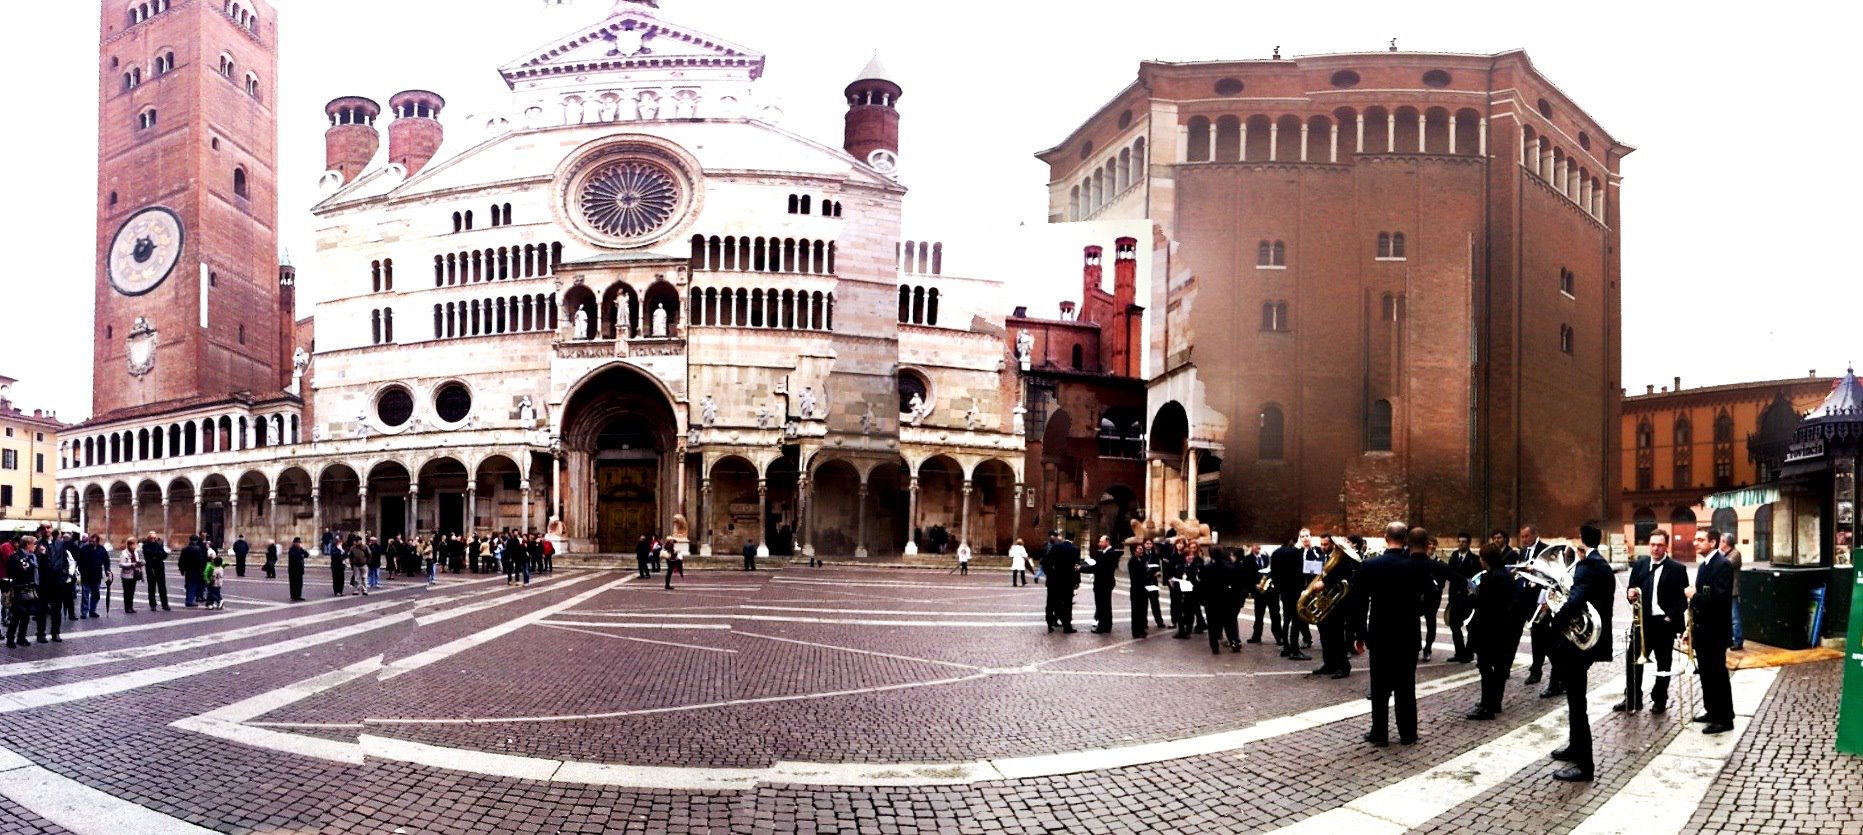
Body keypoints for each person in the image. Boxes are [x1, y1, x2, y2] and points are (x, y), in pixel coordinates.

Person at [1350, 522, 1432, 747]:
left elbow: (1360, 603)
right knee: (1406, 686)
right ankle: (1408, 733)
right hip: (1408, 633)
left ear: (1385, 538)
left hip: (1380, 633)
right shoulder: (1416, 565)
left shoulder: (1371, 565)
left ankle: (1380, 733)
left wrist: (1360, 635)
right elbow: (1430, 597)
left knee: (1379, 687)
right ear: (1405, 539)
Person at [1549, 523, 1614, 782]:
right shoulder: (1603, 564)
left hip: (1580, 645)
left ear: (1581, 540)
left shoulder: (1587, 565)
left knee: (1577, 703)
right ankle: (1575, 746)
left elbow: (1575, 601)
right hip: (1592, 641)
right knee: (1576, 700)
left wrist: (1556, 620)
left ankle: (1585, 765)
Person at [1618, 529, 1688, 714]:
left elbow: (1682, 601)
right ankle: (1632, 698)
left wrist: (1669, 617)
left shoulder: (1677, 569)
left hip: (1664, 624)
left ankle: (1659, 699)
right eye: (1653, 544)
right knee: (1633, 661)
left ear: (1666, 546)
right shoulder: (1640, 565)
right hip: (1642, 622)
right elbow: (1632, 588)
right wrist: (1630, 594)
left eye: (1660, 545)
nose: (1656, 548)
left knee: (1663, 664)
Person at [1463, 542, 1518, 719]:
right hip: (1504, 627)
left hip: (1488, 629)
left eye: (1481, 558)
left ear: (1486, 559)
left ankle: (1486, 707)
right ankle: (1495, 702)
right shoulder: (1507, 574)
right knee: (1500, 668)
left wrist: (1473, 595)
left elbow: (1483, 604)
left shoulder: (1490, 577)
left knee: (1486, 668)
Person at [1690, 531, 1738, 735]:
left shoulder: (1722, 565)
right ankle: (1712, 711)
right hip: (1702, 631)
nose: (1695, 543)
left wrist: (1694, 596)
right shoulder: (1704, 566)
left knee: (1717, 675)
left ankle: (1725, 718)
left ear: (1712, 542)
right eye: (1695, 539)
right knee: (1706, 674)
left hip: (1716, 632)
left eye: (1700, 540)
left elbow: (1719, 601)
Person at [1517, 525, 1559, 693]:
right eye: (1522, 537)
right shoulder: (1522, 552)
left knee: (1543, 637)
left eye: (1526, 536)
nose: (1524, 540)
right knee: (1535, 636)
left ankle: (1550, 670)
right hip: (1526, 600)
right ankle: (1536, 670)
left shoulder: (1546, 550)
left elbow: (1551, 575)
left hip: (1541, 601)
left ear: (1535, 534)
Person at [1309, 534, 1357, 678]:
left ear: (1332, 544)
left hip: (1337, 604)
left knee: (1336, 635)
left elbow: (1344, 575)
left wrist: (1325, 583)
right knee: (1325, 635)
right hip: (1324, 603)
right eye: (1321, 544)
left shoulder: (1343, 560)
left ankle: (1343, 666)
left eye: (1326, 544)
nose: (1323, 547)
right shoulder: (1321, 558)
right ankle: (1329, 664)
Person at [1270, 533, 1310, 660]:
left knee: (1286, 619)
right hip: (1295, 590)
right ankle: (1294, 649)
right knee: (1296, 620)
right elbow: (1300, 573)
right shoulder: (1296, 552)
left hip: (1283, 591)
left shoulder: (1275, 553)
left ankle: (1286, 647)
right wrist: (1304, 588)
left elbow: (1273, 573)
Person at [1445, 533, 1481, 663]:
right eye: (1459, 541)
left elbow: (1476, 578)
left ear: (1469, 543)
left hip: (1468, 599)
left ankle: (1469, 653)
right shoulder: (1453, 557)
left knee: (1471, 627)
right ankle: (1459, 652)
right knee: (1454, 626)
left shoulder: (1474, 559)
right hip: (1455, 597)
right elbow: (1450, 575)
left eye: (1464, 541)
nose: (1461, 544)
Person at [1040, 531, 1081, 634]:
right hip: (1068, 581)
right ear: (1073, 539)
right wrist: (1077, 581)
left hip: (1055, 580)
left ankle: (1050, 623)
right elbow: (1076, 567)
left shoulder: (1056, 547)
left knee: (1051, 602)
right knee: (1067, 604)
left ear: (1064, 537)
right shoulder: (1075, 549)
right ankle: (1067, 626)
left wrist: (1049, 574)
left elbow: (1045, 561)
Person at [1205, 547, 1244, 654]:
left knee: (1212, 624)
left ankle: (1214, 646)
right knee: (1229, 623)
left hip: (1212, 599)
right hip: (1227, 599)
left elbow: (1203, 585)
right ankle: (1234, 642)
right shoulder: (1230, 567)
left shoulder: (1207, 568)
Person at [36, 535, 73, 643]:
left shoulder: (60, 544)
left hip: (57, 581)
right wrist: (42, 555)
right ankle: (41, 633)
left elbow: (65, 560)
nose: (46, 530)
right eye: (44, 528)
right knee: (42, 609)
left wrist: (64, 575)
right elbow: (36, 562)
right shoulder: (38, 544)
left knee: (57, 609)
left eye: (48, 527)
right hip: (44, 581)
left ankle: (55, 632)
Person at [5, 538, 40, 647]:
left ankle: (21, 637)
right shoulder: (15, 557)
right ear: (27, 544)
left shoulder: (32, 557)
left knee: (26, 616)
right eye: (34, 544)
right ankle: (10, 639)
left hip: (29, 590)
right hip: (18, 590)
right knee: (16, 615)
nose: (35, 546)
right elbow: (12, 572)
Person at [1244, 543, 1282, 645]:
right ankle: (1256, 636)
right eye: (1255, 545)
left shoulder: (1266, 557)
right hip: (1258, 591)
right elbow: (1246, 574)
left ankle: (1279, 636)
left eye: (1259, 545)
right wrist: (1254, 585)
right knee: (1259, 615)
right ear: (1252, 547)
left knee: (1275, 614)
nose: (1258, 547)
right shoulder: (1247, 559)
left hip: (1271, 590)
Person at [1086, 536, 1119, 633]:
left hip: (1103, 583)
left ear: (1107, 542)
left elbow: (1098, 568)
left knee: (1102, 605)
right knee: (1105, 605)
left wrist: (1081, 568)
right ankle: (1107, 626)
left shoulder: (1110, 554)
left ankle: (1102, 626)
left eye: (1101, 542)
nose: (1099, 544)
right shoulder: (1105, 553)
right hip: (1104, 583)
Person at [75, 534, 109, 619]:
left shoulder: (101, 549)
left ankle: (92, 610)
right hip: (86, 575)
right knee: (85, 594)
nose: (91, 543)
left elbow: (106, 561)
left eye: (93, 541)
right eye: (90, 541)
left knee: (96, 594)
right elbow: (79, 561)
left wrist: (107, 570)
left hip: (96, 575)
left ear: (97, 542)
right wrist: (81, 570)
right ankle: (84, 612)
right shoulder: (84, 549)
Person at [1127, 545, 1154, 637]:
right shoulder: (1132, 561)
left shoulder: (1142, 560)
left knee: (1142, 610)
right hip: (1136, 589)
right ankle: (1136, 631)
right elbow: (1135, 576)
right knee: (1136, 611)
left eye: (1142, 549)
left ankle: (1141, 629)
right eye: (1139, 549)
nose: (1142, 550)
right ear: (1134, 551)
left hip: (1143, 589)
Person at [141, 532, 171, 611]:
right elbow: (149, 553)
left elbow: (164, 555)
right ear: (148, 538)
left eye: (154, 538)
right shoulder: (145, 545)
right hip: (151, 568)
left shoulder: (159, 544)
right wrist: (158, 554)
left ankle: (165, 604)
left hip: (160, 567)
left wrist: (156, 555)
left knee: (162, 587)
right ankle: (153, 604)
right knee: (151, 587)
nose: (153, 539)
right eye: (151, 538)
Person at [178, 535, 206, 608]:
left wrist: (182, 570)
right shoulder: (198, 549)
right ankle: (190, 601)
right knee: (193, 585)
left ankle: (188, 599)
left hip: (188, 570)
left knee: (188, 584)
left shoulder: (185, 549)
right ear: (196, 540)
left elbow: (181, 560)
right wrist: (202, 570)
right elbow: (200, 560)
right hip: (195, 570)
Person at [118, 538, 142, 614]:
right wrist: (131, 564)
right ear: (130, 545)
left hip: (134, 574)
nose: (135, 546)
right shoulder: (124, 553)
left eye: (136, 544)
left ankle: (131, 607)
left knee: (132, 592)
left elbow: (137, 562)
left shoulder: (136, 553)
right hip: (126, 575)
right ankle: (127, 608)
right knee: (127, 592)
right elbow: (121, 564)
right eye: (134, 544)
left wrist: (140, 564)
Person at [287, 537, 308, 601]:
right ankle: (293, 596)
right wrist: (301, 554)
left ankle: (298, 596)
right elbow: (295, 557)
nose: (298, 544)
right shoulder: (291, 550)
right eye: (297, 542)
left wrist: (303, 550)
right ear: (294, 543)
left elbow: (306, 555)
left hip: (299, 569)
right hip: (293, 570)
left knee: (299, 584)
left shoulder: (300, 549)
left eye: (299, 543)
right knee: (293, 584)